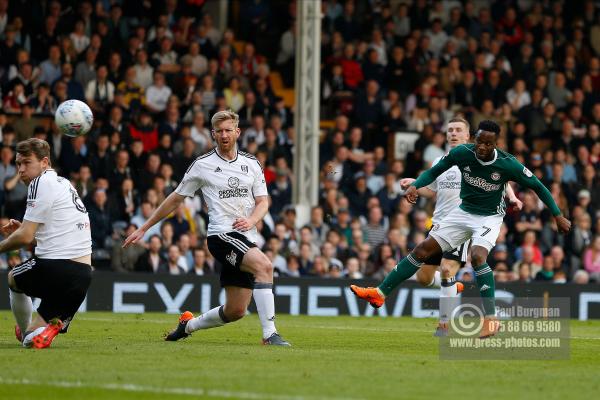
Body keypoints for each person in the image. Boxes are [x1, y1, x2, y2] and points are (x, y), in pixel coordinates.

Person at [351, 120, 571, 338]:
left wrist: (557, 215)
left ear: (495, 144)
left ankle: (490, 320)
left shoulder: (509, 163)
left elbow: (539, 187)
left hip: (489, 217)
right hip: (462, 212)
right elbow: (434, 171)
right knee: (422, 250)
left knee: (477, 256)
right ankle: (380, 293)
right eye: (479, 142)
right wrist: (416, 185)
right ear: (474, 138)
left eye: (487, 144)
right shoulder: (463, 153)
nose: (481, 147)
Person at [124, 110, 290, 346]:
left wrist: (252, 220)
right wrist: (145, 227)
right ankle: (270, 334)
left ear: (237, 132)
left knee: (236, 310)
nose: (224, 135)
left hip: (246, 237)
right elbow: (175, 198)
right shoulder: (202, 165)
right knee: (264, 266)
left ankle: (188, 325)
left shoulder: (251, 164)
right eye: (219, 131)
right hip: (221, 235)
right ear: (213, 134)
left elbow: (264, 202)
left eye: (228, 130)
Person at [399, 117, 523, 336]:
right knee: (424, 278)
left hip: (467, 223)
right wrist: (415, 185)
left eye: (458, 130)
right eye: (450, 130)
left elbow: (500, 181)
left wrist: (512, 196)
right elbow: (433, 190)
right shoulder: (442, 160)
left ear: (468, 136)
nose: (453, 134)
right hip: (440, 225)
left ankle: (443, 324)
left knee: (447, 269)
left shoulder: (475, 158)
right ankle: (451, 287)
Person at [0, 138, 92, 349]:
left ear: (44, 162)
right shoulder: (64, 184)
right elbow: (53, 234)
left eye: (26, 163)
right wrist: (25, 229)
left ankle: (25, 332)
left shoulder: (39, 183)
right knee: (35, 339)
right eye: (17, 164)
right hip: (83, 276)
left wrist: (17, 236)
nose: (21, 170)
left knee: (13, 278)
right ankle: (47, 329)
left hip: (57, 268)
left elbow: (24, 239)